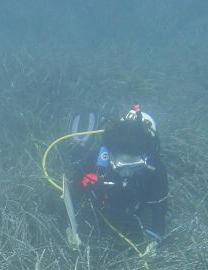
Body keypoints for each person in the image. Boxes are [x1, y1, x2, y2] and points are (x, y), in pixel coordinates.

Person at [65, 104, 168, 255]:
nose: (126, 173)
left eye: (134, 167)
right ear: (110, 156)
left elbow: (160, 209)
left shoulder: (155, 169)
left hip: (132, 213)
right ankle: (79, 144)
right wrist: (71, 228)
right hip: (101, 208)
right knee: (77, 157)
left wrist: (154, 241)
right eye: (120, 167)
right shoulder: (97, 160)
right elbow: (72, 193)